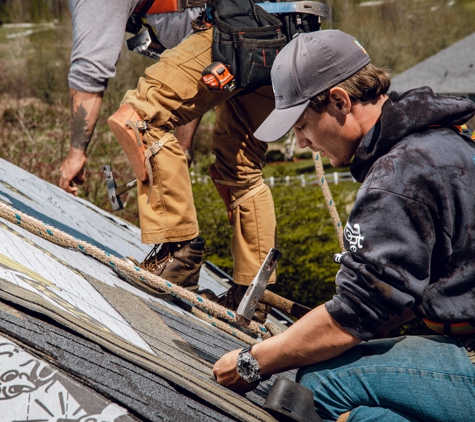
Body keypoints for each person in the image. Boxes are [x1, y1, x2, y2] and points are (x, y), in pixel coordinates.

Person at [213, 29, 475, 422]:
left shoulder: (398, 176)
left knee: (319, 384)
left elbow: (356, 314)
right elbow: (394, 293)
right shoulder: (442, 142)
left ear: (339, 101)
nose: (301, 143)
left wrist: (254, 360)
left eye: (301, 125)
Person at [60, 0, 278, 322]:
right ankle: (252, 295)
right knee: (241, 167)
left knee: (139, 114)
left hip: (235, 31)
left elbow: (90, 69)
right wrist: (183, 145)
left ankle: (178, 256)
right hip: (283, 34)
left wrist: (76, 153)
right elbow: (188, 81)